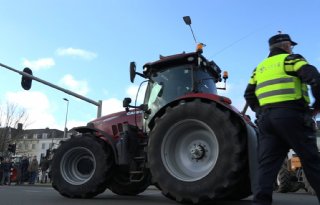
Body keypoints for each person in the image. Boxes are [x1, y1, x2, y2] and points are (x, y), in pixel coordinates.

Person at [244, 32, 320, 205]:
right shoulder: (290, 60)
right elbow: (315, 78)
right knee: (312, 163)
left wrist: (259, 112)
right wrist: (317, 106)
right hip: (292, 116)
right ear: (285, 45)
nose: (291, 48)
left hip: (267, 122)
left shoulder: (259, 68)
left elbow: (248, 94)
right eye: (290, 45)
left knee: (267, 167)